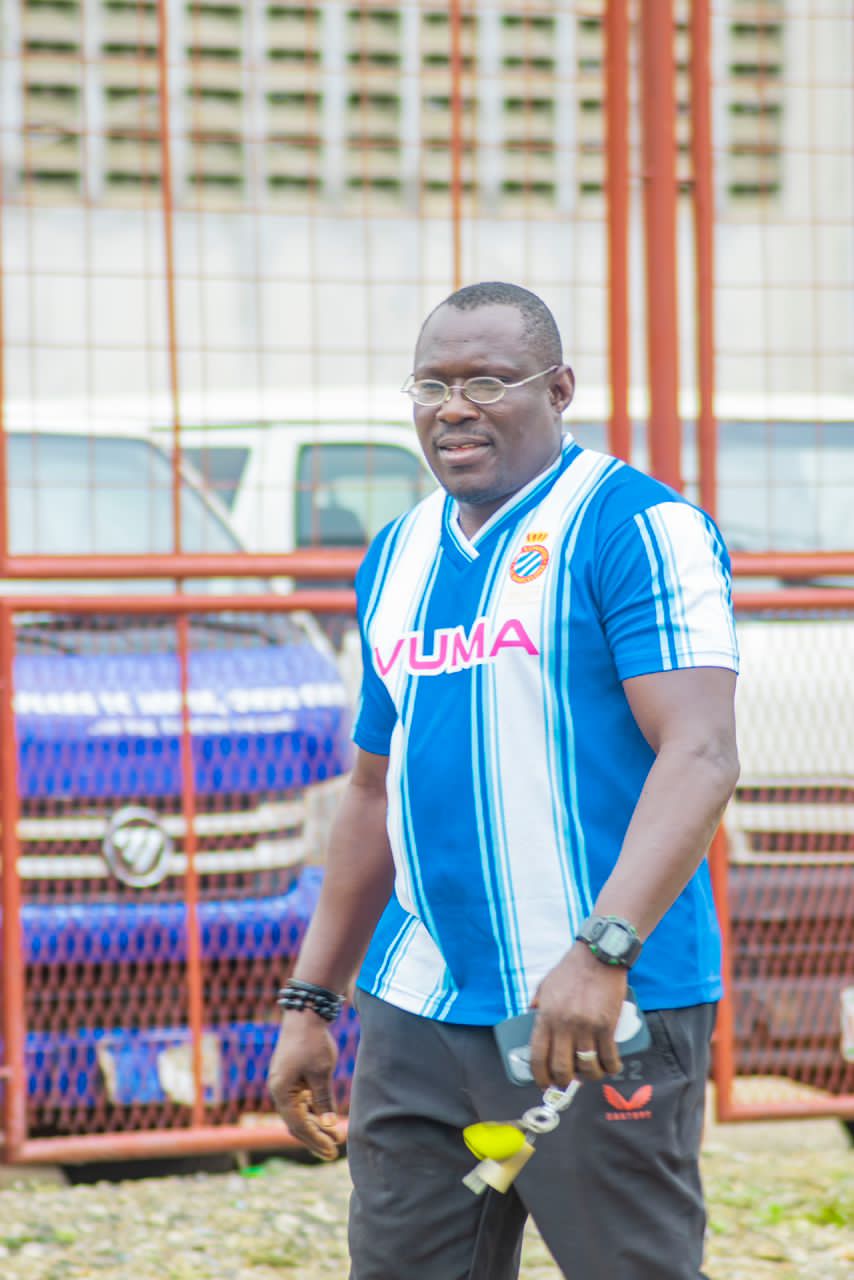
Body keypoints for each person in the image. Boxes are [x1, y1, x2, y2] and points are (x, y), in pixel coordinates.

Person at [268, 281, 740, 1279]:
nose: (453, 409)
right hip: (419, 1008)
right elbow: (371, 791)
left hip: (591, 1005)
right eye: (431, 385)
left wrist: (601, 951)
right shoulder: (396, 555)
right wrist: (309, 999)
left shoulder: (635, 526)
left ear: (558, 389)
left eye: (486, 382)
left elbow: (699, 753)